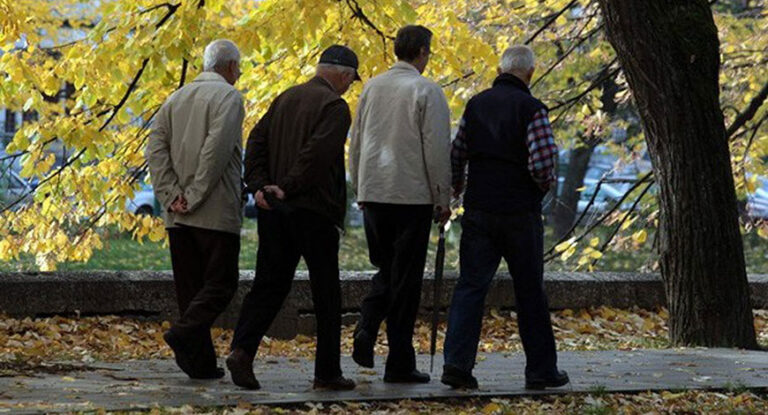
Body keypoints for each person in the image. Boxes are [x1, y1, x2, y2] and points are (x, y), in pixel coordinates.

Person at [226, 45, 361, 391]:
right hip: (313, 211)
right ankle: (327, 372)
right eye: (350, 80)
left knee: (268, 286)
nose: (349, 87)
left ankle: (241, 351)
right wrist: (286, 187)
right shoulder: (335, 107)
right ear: (343, 76)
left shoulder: (285, 98)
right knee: (327, 293)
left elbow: (256, 141)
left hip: (275, 211)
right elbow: (316, 156)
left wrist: (259, 186)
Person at [440, 45, 569, 390]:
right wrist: (538, 190)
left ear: (501, 69)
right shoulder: (532, 109)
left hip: (480, 209)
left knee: (470, 287)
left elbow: (457, 154)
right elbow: (543, 164)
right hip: (519, 212)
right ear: (529, 73)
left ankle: (457, 365)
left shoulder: (476, 104)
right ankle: (541, 370)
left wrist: (458, 188)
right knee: (529, 292)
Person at [348, 25, 451, 384]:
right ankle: (399, 362)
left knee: (386, 269)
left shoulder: (371, 88)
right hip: (411, 196)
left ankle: (368, 322)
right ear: (422, 51)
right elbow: (435, 149)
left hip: (374, 193)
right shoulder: (426, 90)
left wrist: (359, 187)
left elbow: (357, 140)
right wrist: (443, 197)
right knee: (406, 281)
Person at [146, 39, 244, 379]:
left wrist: (171, 195)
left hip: (177, 215)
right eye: (239, 67)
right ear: (230, 67)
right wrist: (195, 194)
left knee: (190, 291)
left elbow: (155, 149)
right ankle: (183, 334)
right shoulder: (229, 97)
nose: (240, 74)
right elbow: (216, 152)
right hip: (214, 211)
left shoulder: (174, 99)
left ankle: (199, 365)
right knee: (222, 284)